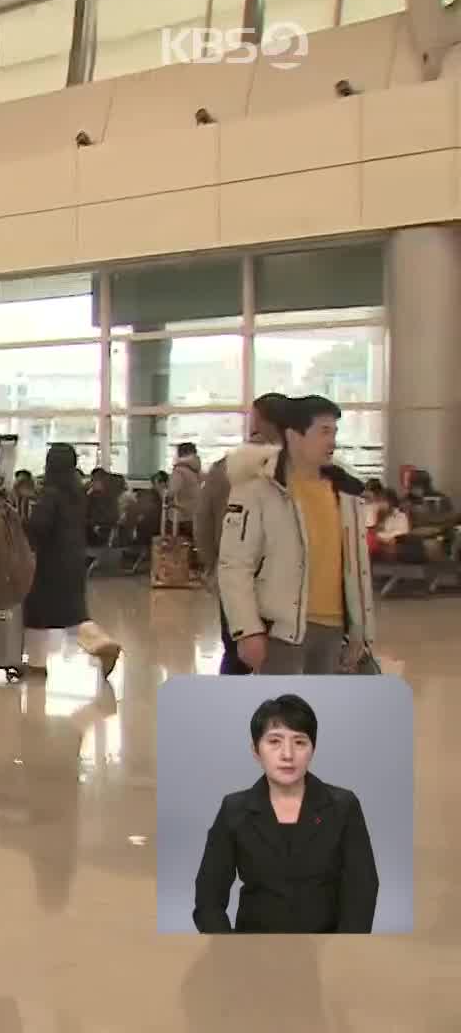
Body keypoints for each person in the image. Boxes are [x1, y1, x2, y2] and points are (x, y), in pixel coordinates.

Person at [192, 694, 379, 933]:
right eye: (274, 741)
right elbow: (208, 898)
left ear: (313, 749)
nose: (287, 754)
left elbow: (362, 889)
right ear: (255, 750)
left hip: (326, 950)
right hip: (253, 950)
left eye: (300, 742)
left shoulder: (343, 806)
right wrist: (230, 954)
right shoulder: (234, 810)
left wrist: (342, 954)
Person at [218, 395, 376, 676]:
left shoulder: (346, 493)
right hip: (282, 632)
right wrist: (247, 630)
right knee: (279, 716)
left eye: (335, 432)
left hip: (335, 632)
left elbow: (355, 568)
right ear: (294, 436)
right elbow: (235, 564)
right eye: (324, 431)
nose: (332, 441)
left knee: (324, 717)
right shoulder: (258, 490)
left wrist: (360, 632)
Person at [196, 394, 286, 676]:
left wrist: (212, 566)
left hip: (233, 575)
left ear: (257, 421)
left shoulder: (225, 467)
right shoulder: (294, 469)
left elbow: (203, 520)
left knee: (235, 652)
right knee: (284, 655)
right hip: (284, 579)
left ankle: (230, 712)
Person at [20, 444, 121, 678]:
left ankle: (38, 664)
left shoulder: (50, 492)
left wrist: (20, 523)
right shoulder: (77, 491)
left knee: (37, 613)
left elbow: (41, 527)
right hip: (73, 558)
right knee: (72, 612)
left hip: (49, 561)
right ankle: (99, 643)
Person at [169, 442, 202, 537]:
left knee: (177, 547)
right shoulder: (196, 470)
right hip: (195, 514)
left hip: (180, 517)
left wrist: (162, 491)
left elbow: (172, 491)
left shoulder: (179, 471)